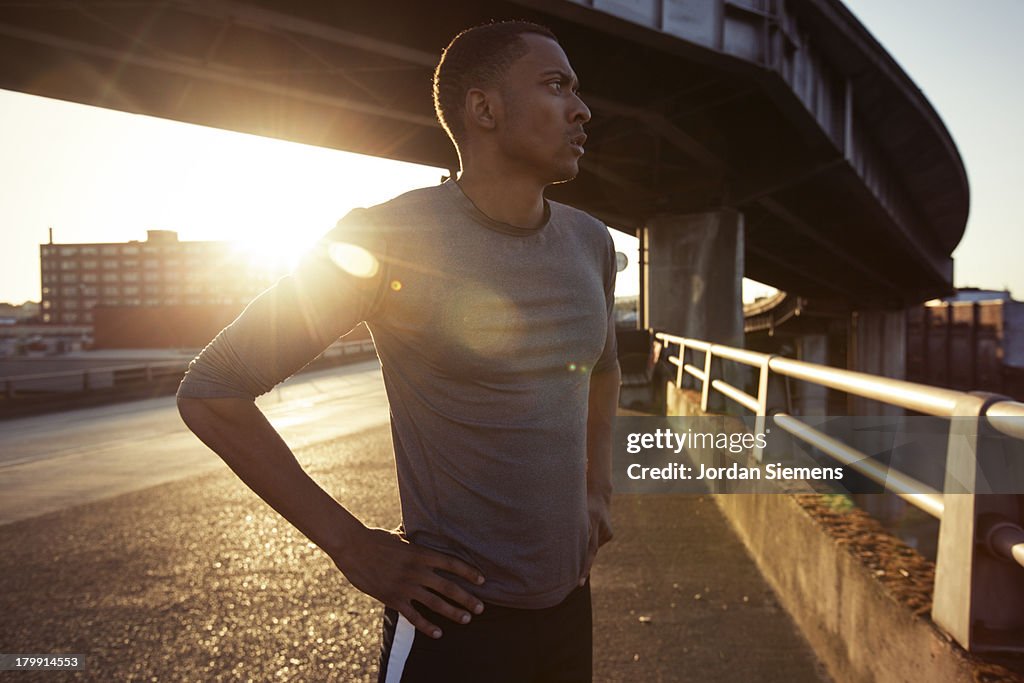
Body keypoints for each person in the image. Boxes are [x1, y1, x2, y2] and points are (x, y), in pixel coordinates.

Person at [176, 20, 620, 682]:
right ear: (484, 109)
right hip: (453, 621)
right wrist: (351, 545)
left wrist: (597, 488)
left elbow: (603, 368)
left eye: (576, 90)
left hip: (568, 607)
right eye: (557, 86)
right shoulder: (384, 238)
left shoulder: (591, 242)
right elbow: (212, 388)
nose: (581, 109)